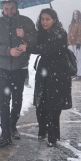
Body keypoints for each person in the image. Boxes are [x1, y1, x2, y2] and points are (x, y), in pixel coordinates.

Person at [0, 0, 37, 147]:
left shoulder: (26, 22)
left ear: (16, 7)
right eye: (6, 8)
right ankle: (5, 133)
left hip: (20, 67)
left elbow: (35, 41)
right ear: (2, 9)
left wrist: (25, 37)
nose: (9, 10)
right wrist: (7, 51)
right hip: (3, 67)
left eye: (12, 7)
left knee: (17, 99)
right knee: (3, 100)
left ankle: (12, 125)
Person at [28, 9, 72, 147]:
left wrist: (33, 48)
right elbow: (36, 47)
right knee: (41, 103)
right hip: (43, 72)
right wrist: (24, 40)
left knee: (53, 106)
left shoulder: (61, 34)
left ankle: (53, 136)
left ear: (54, 20)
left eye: (47, 19)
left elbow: (50, 50)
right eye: (42, 19)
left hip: (58, 73)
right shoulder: (40, 33)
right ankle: (43, 131)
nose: (44, 22)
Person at [68, 10, 81, 81]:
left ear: (79, 15)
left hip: (80, 44)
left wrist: (79, 43)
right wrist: (68, 42)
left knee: (80, 59)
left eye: (76, 14)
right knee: (75, 59)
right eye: (74, 14)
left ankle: (80, 75)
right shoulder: (72, 24)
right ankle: (77, 73)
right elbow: (70, 34)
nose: (75, 15)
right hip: (74, 44)